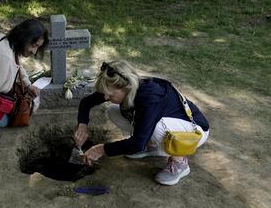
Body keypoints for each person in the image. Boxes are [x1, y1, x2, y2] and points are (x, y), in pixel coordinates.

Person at [73, 60, 210, 185]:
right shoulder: (118, 87)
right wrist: (82, 126)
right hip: (170, 125)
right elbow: (86, 102)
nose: (106, 97)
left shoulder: (150, 97)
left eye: (110, 95)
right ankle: (151, 145)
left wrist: (101, 149)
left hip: (193, 132)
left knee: (156, 127)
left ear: (126, 87)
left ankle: (180, 162)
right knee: (113, 111)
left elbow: (137, 144)